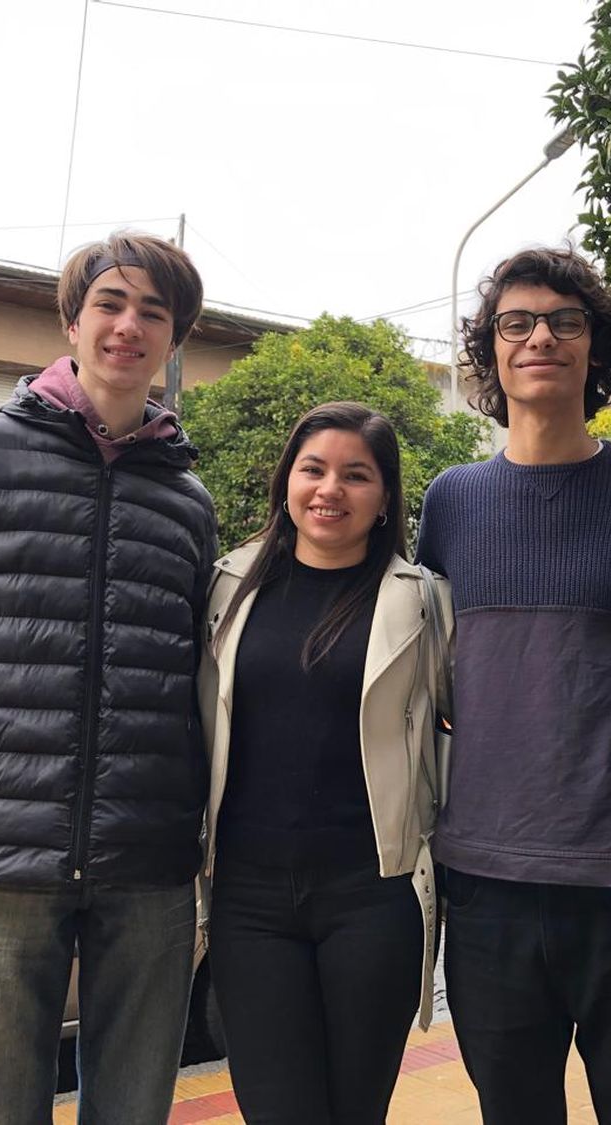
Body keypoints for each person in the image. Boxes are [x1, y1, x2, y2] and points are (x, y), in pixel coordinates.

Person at [0, 232, 216, 1124]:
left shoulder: (187, 499)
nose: (129, 326)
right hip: (5, 853)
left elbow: (198, 684)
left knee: (134, 1110)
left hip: (150, 863)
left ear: (175, 340)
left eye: (153, 312)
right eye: (111, 303)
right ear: (72, 320)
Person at [417, 247, 611, 1123]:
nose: (540, 336)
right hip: (489, 885)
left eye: (565, 321)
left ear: (595, 348)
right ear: (491, 351)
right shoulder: (451, 502)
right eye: (517, 322)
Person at [200, 401, 449, 1124]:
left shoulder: (423, 601)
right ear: (287, 480)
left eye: (356, 474)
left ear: (384, 498)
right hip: (248, 900)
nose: (329, 489)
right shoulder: (226, 586)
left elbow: (458, 729)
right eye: (313, 468)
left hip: (373, 895)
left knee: (354, 1111)